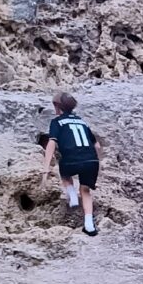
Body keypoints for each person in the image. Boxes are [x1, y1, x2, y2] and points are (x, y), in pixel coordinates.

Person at [43, 93, 102, 235]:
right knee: (86, 190)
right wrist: (98, 163)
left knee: (64, 171)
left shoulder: (57, 122)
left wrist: (45, 168)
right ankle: (89, 226)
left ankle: (71, 193)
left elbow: (52, 142)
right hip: (91, 160)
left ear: (57, 107)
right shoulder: (81, 121)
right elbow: (97, 145)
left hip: (71, 159)